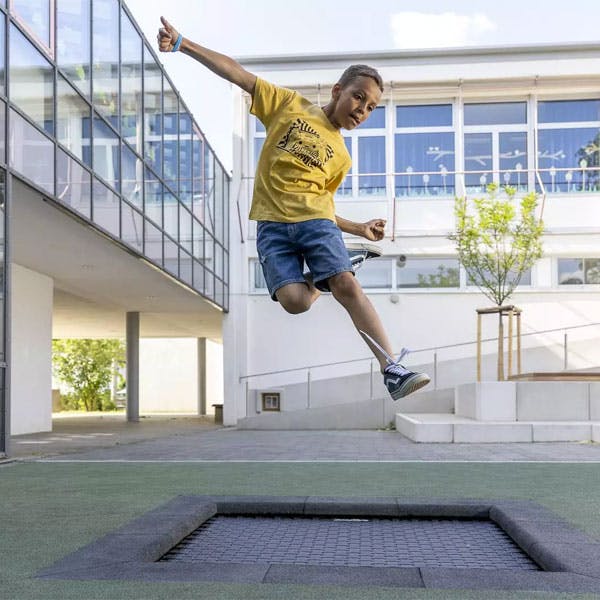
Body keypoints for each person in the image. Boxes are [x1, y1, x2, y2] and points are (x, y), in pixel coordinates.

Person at [157, 17, 430, 400]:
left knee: (345, 286)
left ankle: (392, 369)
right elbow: (238, 74)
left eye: (370, 108)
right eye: (358, 98)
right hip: (271, 226)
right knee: (295, 303)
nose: (362, 110)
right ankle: (330, 272)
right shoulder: (289, 105)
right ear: (338, 90)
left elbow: (323, 205)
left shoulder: (342, 156)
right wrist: (184, 43)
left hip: (315, 222)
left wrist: (357, 228)